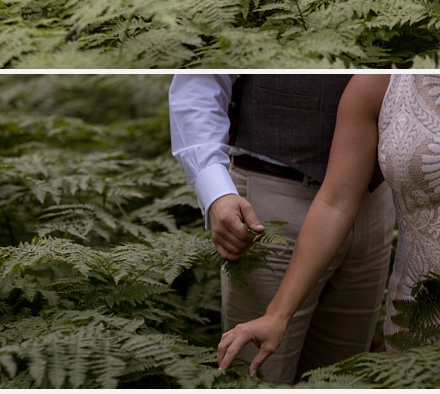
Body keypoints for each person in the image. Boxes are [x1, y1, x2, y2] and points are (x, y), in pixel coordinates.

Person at [217, 73, 440, 378]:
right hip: (278, 192)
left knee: (338, 376)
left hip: (383, 221)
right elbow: (337, 202)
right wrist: (276, 315)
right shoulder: (378, 84)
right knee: (260, 376)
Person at [169, 75, 395, 383]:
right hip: (273, 200)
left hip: (374, 202)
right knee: (259, 375)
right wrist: (216, 191)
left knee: (341, 377)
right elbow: (200, 82)